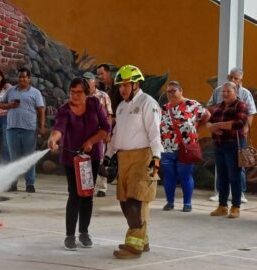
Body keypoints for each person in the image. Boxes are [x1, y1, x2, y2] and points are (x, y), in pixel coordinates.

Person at [105, 65, 162, 259]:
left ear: (136, 84)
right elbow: (116, 134)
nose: (122, 89)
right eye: (120, 86)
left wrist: (156, 158)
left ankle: (133, 246)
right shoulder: (121, 107)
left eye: (126, 85)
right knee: (125, 201)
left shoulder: (148, 103)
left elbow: (155, 133)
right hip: (124, 157)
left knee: (135, 202)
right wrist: (108, 156)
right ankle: (142, 240)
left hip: (143, 156)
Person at [48, 77, 111, 250]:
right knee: (74, 194)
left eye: (79, 92)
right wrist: (53, 139)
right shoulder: (64, 110)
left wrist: (91, 141)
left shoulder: (95, 104)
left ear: (87, 93)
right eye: (72, 92)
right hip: (72, 159)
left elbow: (106, 128)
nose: (75, 96)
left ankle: (84, 232)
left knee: (87, 195)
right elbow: (59, 128)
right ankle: (70, 236)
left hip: (91, 158)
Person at [207, 67, 257, 202]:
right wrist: (212, 127)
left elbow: (250, 113)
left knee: (239, 165)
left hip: (236, 137)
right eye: (231, 77)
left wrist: (245, 129)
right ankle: (220, 194)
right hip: (220, 139)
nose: (233, 80)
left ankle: (240, 194)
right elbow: (210, 108)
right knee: (221, 169)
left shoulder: (245, 94)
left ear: (241, 80)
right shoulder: (218, 91)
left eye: (236, 78)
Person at [159, 81, 210, 212]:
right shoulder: (164, 108)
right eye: (168, 91)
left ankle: (187, 203)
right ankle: (170, 202)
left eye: (173, 91)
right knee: (168, 176)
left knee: (185, 176)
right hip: (167, 147)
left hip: (186, 147)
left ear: (181, 91)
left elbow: (207, 115)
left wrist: (196, 127)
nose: (170, 94)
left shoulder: (192, 105)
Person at [205, 81, 249, 219]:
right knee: (222, 176)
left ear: (235, 92)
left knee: (234, 176)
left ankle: (236, 206)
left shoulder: (241, 105)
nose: (224, 94)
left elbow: (239, 123)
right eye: (223, 91)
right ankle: (222, 206)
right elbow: (209, 121)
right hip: (219, 145)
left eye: (228, 91)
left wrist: (218, 125)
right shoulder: (219, 106)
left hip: (233, 145)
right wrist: (211, 127)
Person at [0, 67, 46, 192]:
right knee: (13, 158)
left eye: (24, 77)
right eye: (20, 77)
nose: (22, 79)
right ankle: (13, 183)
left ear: (29, 78)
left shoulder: (35, 92)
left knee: (29, 157)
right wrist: (10, 105)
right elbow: (1, 104)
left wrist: (42, 126)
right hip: (12, 129)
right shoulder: (10, 90)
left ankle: (30, 184)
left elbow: (41, 110)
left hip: (29, 129)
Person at [83, 71, 113, 197]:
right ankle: (86, 186)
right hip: (84, 134)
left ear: (94, 82)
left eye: (88, 80)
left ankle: (101, 188)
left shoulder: (103, 96)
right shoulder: (81, 95)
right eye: (83, 80)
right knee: (84, 160)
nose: (85, 82)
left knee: (100, 160)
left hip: (100, 133)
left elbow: (109, 116)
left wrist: (108, 133)